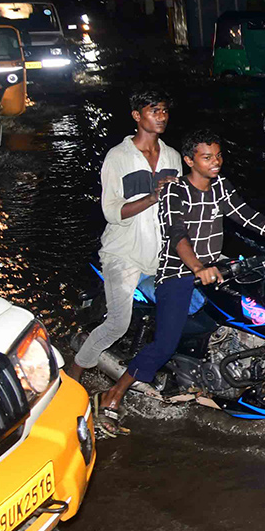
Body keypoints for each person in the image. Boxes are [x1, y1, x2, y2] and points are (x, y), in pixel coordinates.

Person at [93, 129, 265, 436]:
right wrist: (197, 267)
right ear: (189, 160)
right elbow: (177, 234)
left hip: (214, 269)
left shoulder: (220, 186)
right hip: (179, 272)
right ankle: (113, 397)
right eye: (207, 157)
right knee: (165, 343)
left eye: (218, 155)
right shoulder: (174, 191)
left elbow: (250, 218)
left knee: (264, 308)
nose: (216, 162)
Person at [69, 88, 183, 380]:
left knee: (186, 314)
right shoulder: (118, 156)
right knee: (117, 324)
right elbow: (110, 212)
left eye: (164, 111)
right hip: (123, 254)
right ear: (136, 116)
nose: (161, 116)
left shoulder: (172, 156)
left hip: (160, 255)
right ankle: (74, 373)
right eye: (153, 110)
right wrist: (152, 196)